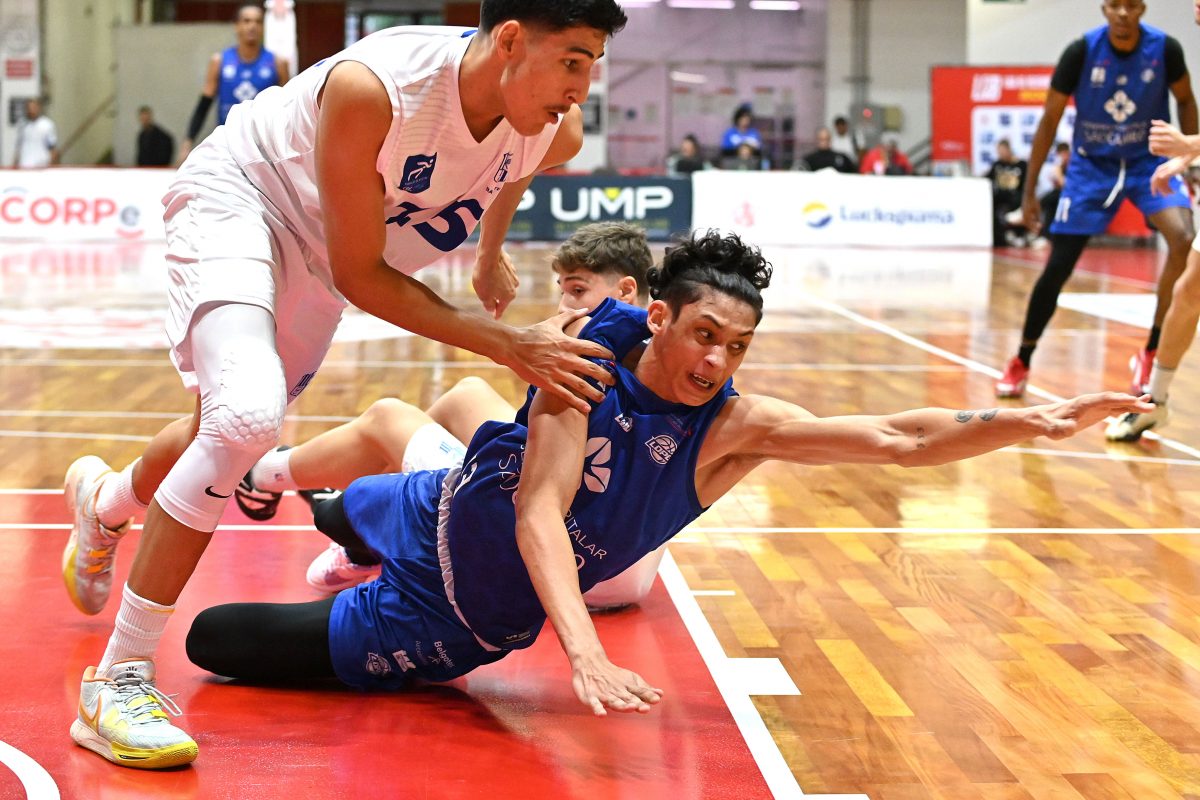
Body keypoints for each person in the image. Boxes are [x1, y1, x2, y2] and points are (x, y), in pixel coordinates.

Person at [183, 230, 1148, 725]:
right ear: (658, 318)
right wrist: (583, 649)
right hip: (437, 503)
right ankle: (307, 506)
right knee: (344, 507)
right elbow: (539, 508)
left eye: (738, 346)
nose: (717, 361)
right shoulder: (588, 357)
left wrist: (1029, 423)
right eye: (704, 335)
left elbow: (899, 436)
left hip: (447, 617)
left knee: (213, 640)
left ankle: (337, 545)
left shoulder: (732, 431)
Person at [62, 0, 629, 770]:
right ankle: (118, 680)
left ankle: (104, 505)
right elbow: (364, 275)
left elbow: (515, 166)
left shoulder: (553, 122)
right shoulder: (378, 89)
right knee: (244, 419)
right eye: (572, 61)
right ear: (508, 41)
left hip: (323, 257)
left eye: (593, 65)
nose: (582, 87)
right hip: (247, 199)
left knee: (221, 428)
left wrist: (489, 252)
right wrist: (508, 344)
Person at [235, 221, 662, 609]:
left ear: (626, 291)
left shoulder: (590, 354)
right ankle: (373, 527)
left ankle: (264, 477)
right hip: (628, 569)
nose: (564, 303)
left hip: (573, 565)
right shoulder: (666, 354)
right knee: (466, 394)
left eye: (578, 291)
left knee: (388, 417)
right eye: (563, 289)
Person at [995, 0, 1197, 399]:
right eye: (1114, 5)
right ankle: (1022, 358)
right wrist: (1028, 191)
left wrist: (1186, 160)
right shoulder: (1081, 51)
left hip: (1147, 162)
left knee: (1183, 238)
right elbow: (1050, 119)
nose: (1122, 13)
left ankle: (1150, 352)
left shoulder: (1165, 49)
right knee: (1058, 265)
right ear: (1103, 8)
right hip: (1092, 167)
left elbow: (1187, 100)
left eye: (1131, 5)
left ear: (1142, 9)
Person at [179, 4, 291, 161]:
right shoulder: (220, 61)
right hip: (227, 143)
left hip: (264, 147)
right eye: (247, 21)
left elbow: (287, 110)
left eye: (258, 22)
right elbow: (204, 105)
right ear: (236, 26)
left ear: (263, 27)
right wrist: (188, 142)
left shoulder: (278, 63)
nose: (252, 26)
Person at [986, 139, 1028, 247]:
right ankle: (997, 237)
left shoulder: (1021, 165)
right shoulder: (997, 164)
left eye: (1002, 151)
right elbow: (987, 178)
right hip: (1001, 195)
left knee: (1019, 201)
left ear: (1009, 150)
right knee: (990, 203)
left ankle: (1019, 234)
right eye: (999, 152)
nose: (1000, 154)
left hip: (1016, 195)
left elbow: (1027, 183)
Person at [12, 98, 58, 168]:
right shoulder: (23, 125)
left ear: (38, 108)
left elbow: (52, 148)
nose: (31, 110)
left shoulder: (47, 125)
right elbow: (19, 148)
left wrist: (51, 165)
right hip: (24, 166)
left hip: (41, 166)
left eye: (33, 108)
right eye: (29, 108)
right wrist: (15, 164)